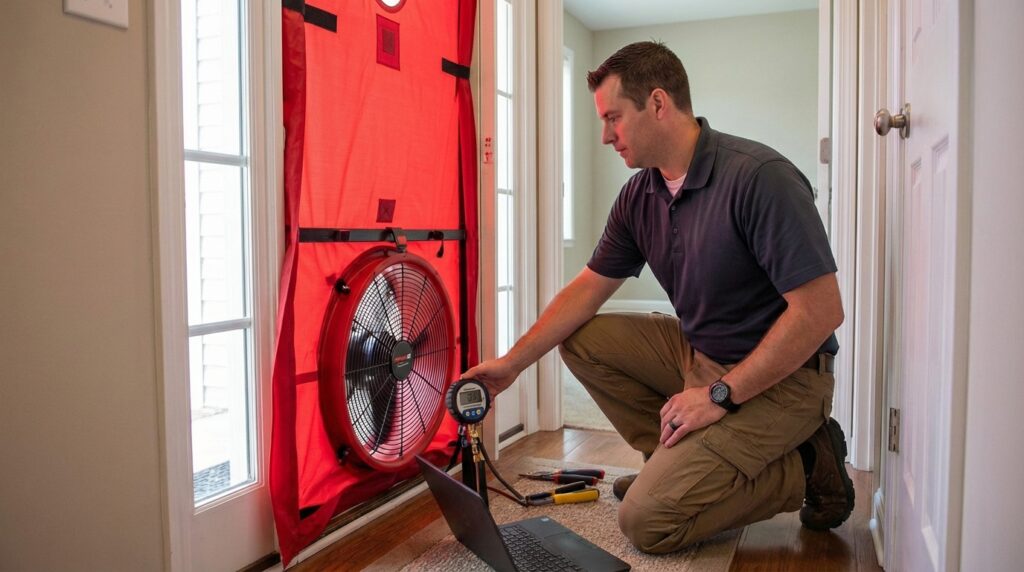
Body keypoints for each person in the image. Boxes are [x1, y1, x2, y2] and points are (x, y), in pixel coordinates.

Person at [462, 41, 854, 554]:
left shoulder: (759, 178)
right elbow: (586, 290)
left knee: (647, 522)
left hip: (786, 380)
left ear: (659, 103)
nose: (605, 136)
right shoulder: (640, 194)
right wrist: (512, 365)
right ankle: (674, 463)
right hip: (701, 353)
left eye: (614, 118)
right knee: (584, 338)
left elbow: (823, 311)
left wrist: (720, 396)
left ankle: (809, 463)